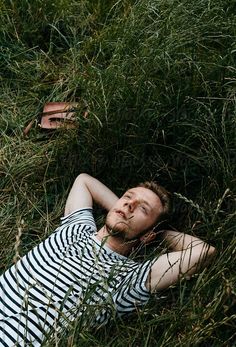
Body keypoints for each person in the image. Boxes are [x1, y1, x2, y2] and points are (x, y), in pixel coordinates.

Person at [0, 173, 216, 346]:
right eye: (128, 197)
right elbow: (84, 181)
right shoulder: (77, 228)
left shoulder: (129, 278)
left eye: (143, 209)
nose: (129, 205)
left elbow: (204, 252)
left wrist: (156, 234)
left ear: (150, 232)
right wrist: (121, 209)